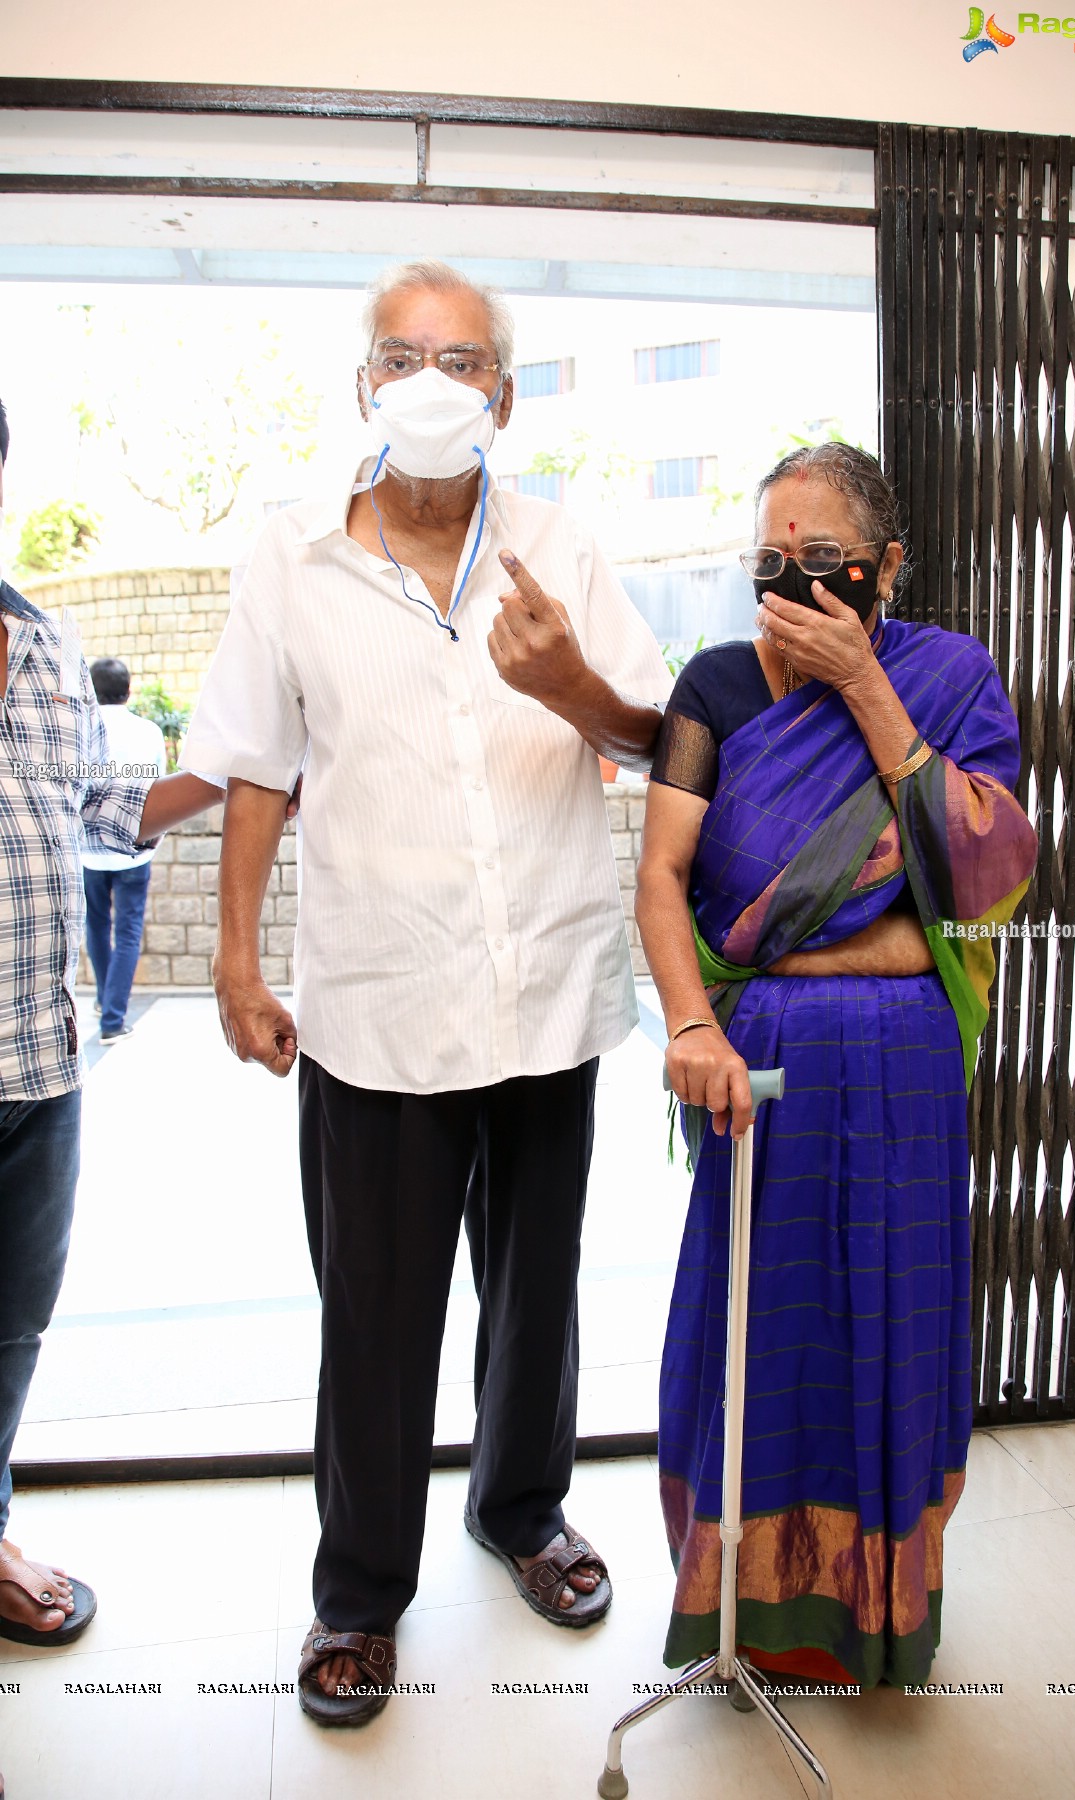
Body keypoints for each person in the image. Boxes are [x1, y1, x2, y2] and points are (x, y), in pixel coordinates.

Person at [179, 259, 672, 1726]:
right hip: (378, 1009)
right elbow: (257, 764)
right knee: (377, 1318)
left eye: (462, 359)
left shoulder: (563, 548)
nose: (432, 381)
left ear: (506, 397)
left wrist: (569, 686)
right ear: (363, 387)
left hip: (545, 995)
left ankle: (522, 1510)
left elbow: (653, 737)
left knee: (536, 1294)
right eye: (402, 356)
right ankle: (358, 1596)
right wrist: (234, 958)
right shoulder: (291, 559)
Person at [636, 442, 1037, 1689]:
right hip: (758, 1078)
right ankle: (744, 1614)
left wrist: (867, 687)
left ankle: (878, 1612)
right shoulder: (714, 689)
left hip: (907, 1077)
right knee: (763, 1328)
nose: (794, 582)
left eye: (824, 561)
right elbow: (663, 879)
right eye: (772, 559)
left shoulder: (946, 679)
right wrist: (694, 1026)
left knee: (890, 1327)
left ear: (886, 568)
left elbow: (981, 882)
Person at [0, 398, 228, 1686]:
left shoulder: (41, 644)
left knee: (10, 1332)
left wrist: (235, 770)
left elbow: (101, 808)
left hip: (39, 1059)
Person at [82, 657, 168, 1042]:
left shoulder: (79, 727)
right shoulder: (147, 731)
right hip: (136, 845)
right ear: (128, 690)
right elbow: (160, 788)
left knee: (96, 924)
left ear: (91, 689)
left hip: (87, 849)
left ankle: (105, 1000)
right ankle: (113, 1019)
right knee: (128, 930)